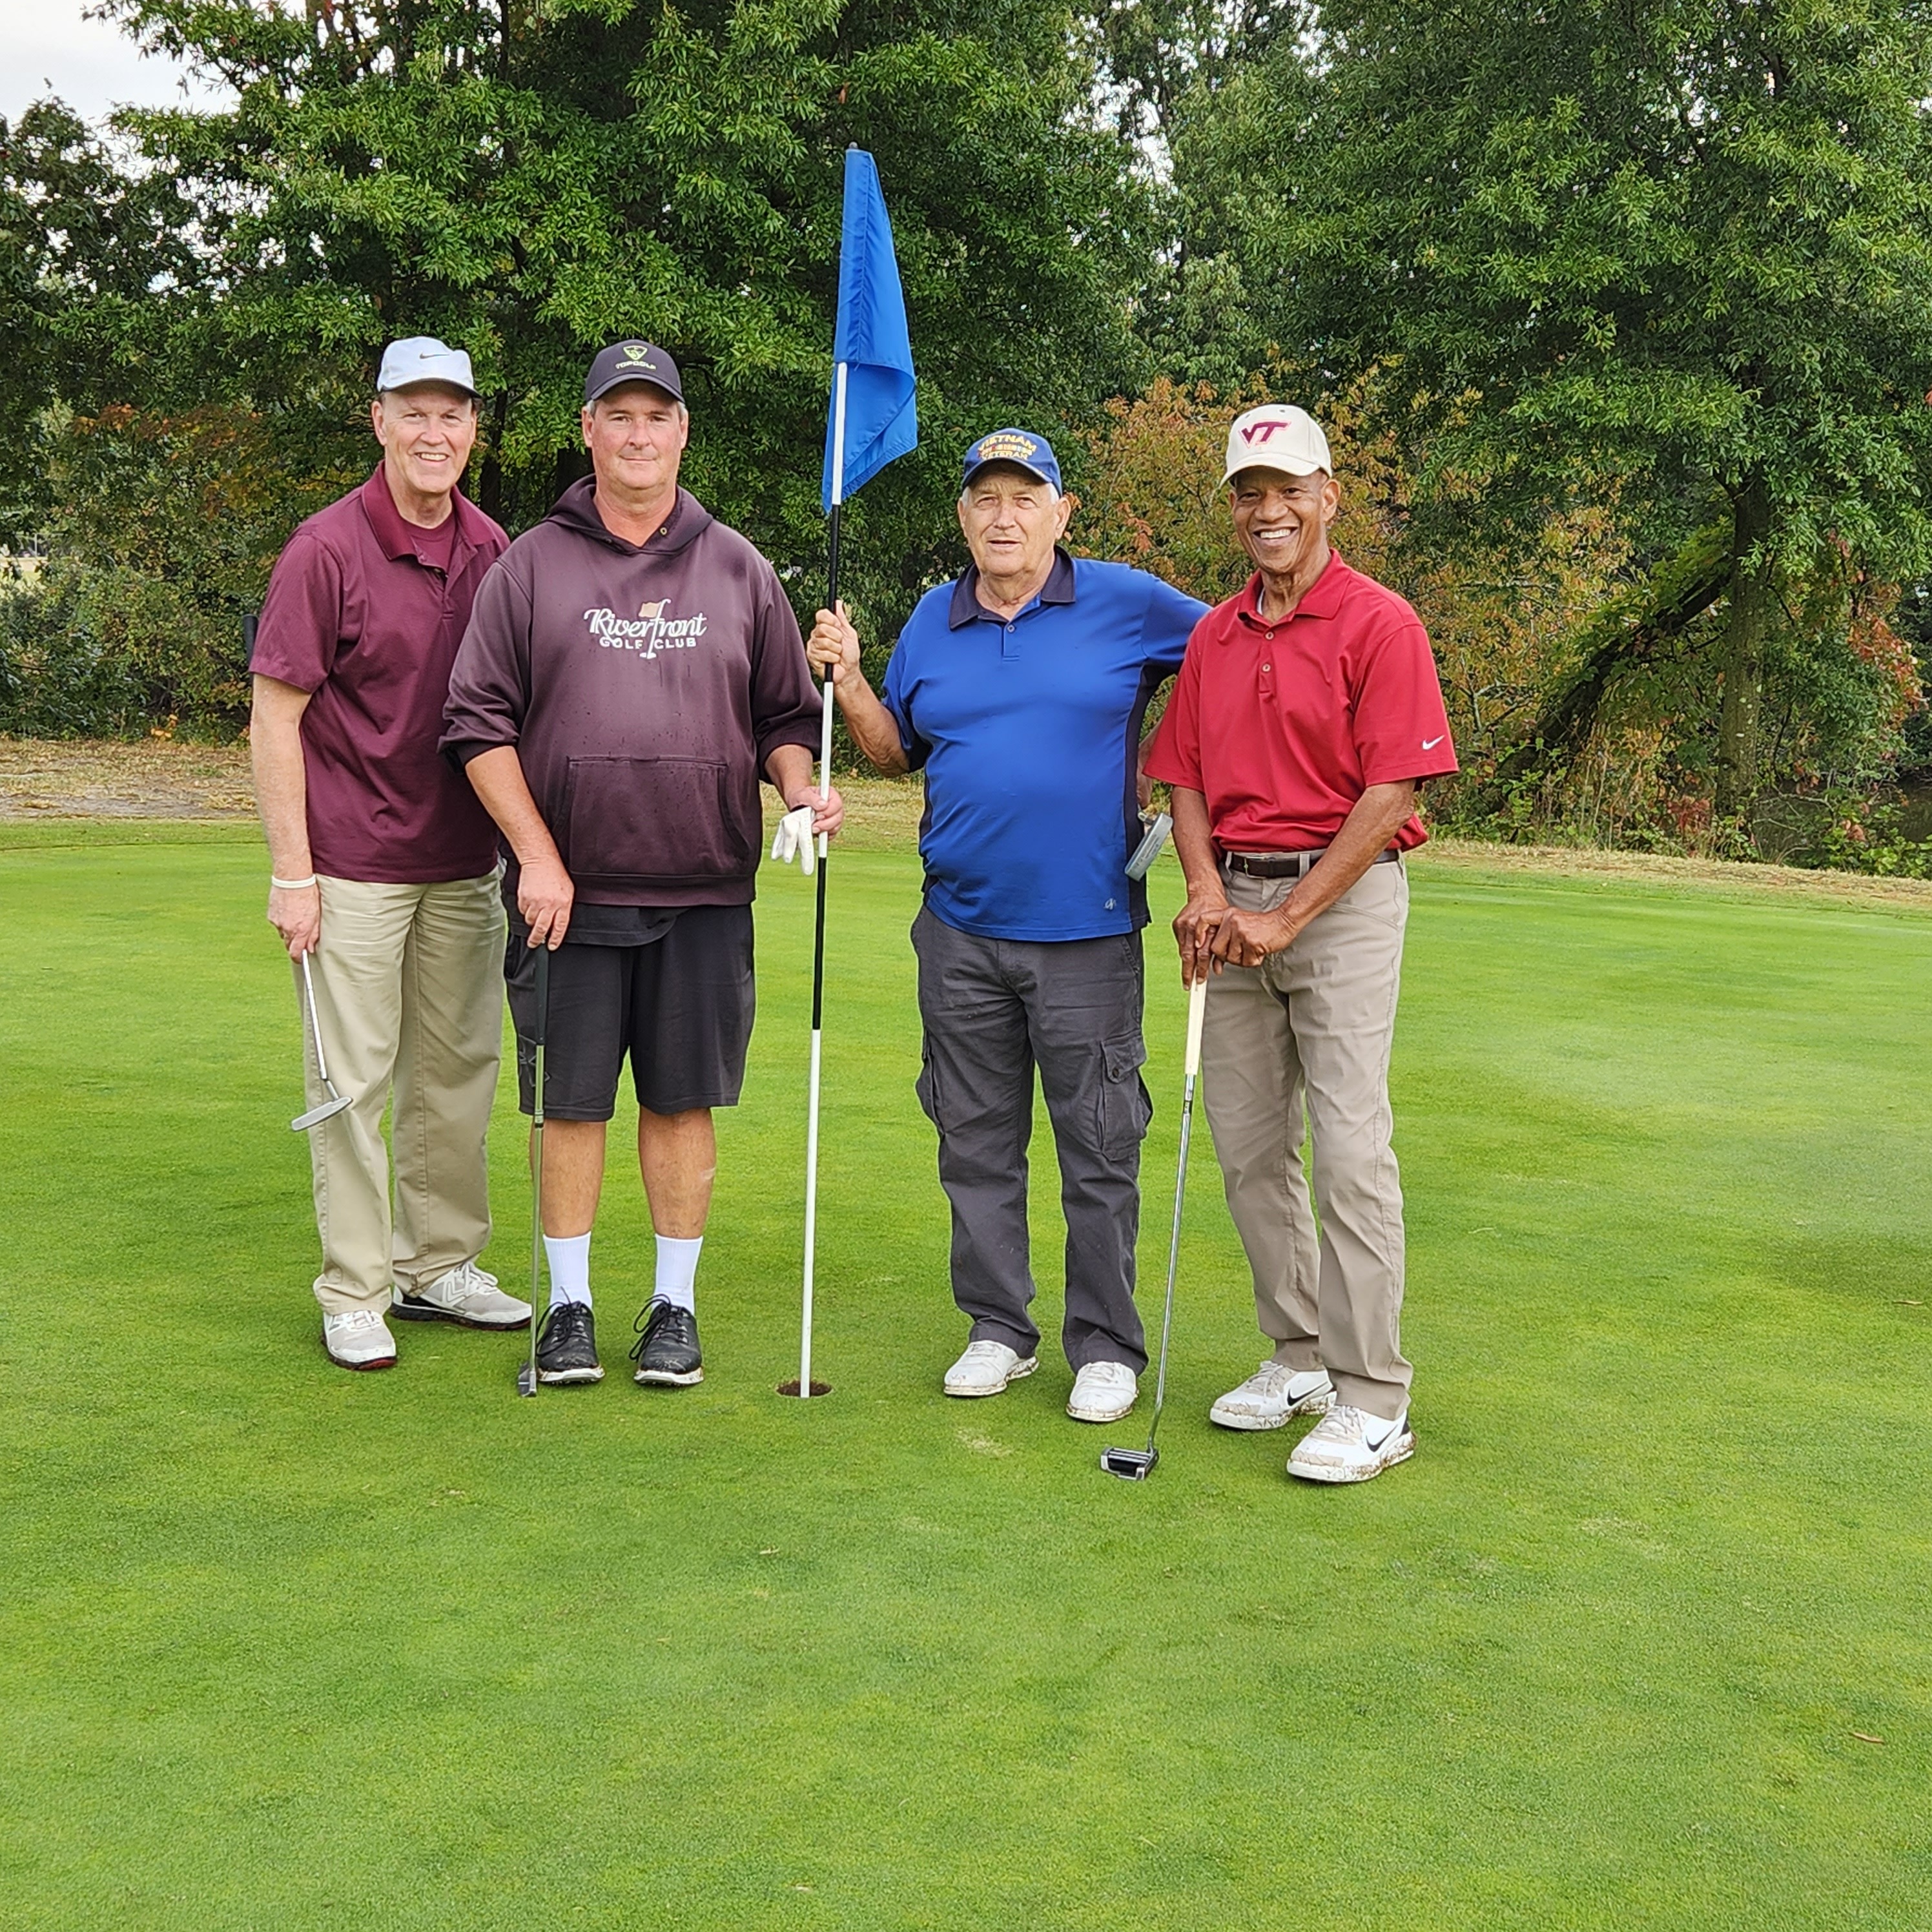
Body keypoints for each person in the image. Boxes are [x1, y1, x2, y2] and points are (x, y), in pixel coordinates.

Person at [442, 340, 841, 1390]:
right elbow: (476, 723)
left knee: (680, 1101)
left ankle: (674, 1307)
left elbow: (783, 717)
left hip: (703, 886)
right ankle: (569, 1308)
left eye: (655, 415)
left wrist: (800, 789)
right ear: (588, 430)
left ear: (682, 432)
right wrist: (536, 855)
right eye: (617, 415)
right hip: (566, 895)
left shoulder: (738, 566)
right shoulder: (532, 565)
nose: (637, 434)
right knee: (571, 1105)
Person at [807, 428, 1206, 1424]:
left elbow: (1237, 655)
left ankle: (1105, 1346)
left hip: (1089, 932)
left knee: (1099, 1148)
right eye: (986, 498)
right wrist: (850, 679)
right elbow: (894, 752)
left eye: (1025, 498)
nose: (1004, 516)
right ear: (962, 515)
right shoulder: (932, 620)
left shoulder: (1128, 601)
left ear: (1061, 514)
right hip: (960, 932)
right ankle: (998, 1329)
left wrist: (1187, 769)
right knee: (975, 1141)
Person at [1145, 402, 1459, 1483]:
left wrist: (1287, 915)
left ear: (1329, 495)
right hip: (1232, 902)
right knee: (1248, 1147)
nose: (1268, 510)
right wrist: (1203, 891)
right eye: (1250, 494)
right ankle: (1300, 1355)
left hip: (1344, 900)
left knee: (1351, 1149)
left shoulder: (1381, 623)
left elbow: (1393, 791)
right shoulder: (1216, 633)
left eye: (1288, 489)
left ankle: (1373, 1398)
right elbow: (1184, 776)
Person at [251, 336, 530, 1371]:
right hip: (350, 867)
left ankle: (437, 1265)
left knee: (455, 1076)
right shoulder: (323, 549)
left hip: (464, 863)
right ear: (379, 420)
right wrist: (292, 874)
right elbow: (274, 718)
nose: (433, 432)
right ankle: (356, 1290)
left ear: (473, 429)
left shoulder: (493, 548)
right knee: (354, 1085)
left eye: (452, 414)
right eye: (413, 411)